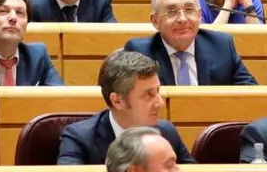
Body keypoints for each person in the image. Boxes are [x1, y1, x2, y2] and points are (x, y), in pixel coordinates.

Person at [57, 50, 195, 165]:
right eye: (148, 94)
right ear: (117, 101)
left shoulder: (167, 132)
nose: (160, 103)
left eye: (157, 91)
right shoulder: (80, 138)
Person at [122, 0, 257, 86]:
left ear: (199, 16)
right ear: (155, 21)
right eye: (172, 11)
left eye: (189, 9)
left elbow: (251, 93)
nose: (182, 19)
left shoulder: (221, 45)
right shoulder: (139, 52)